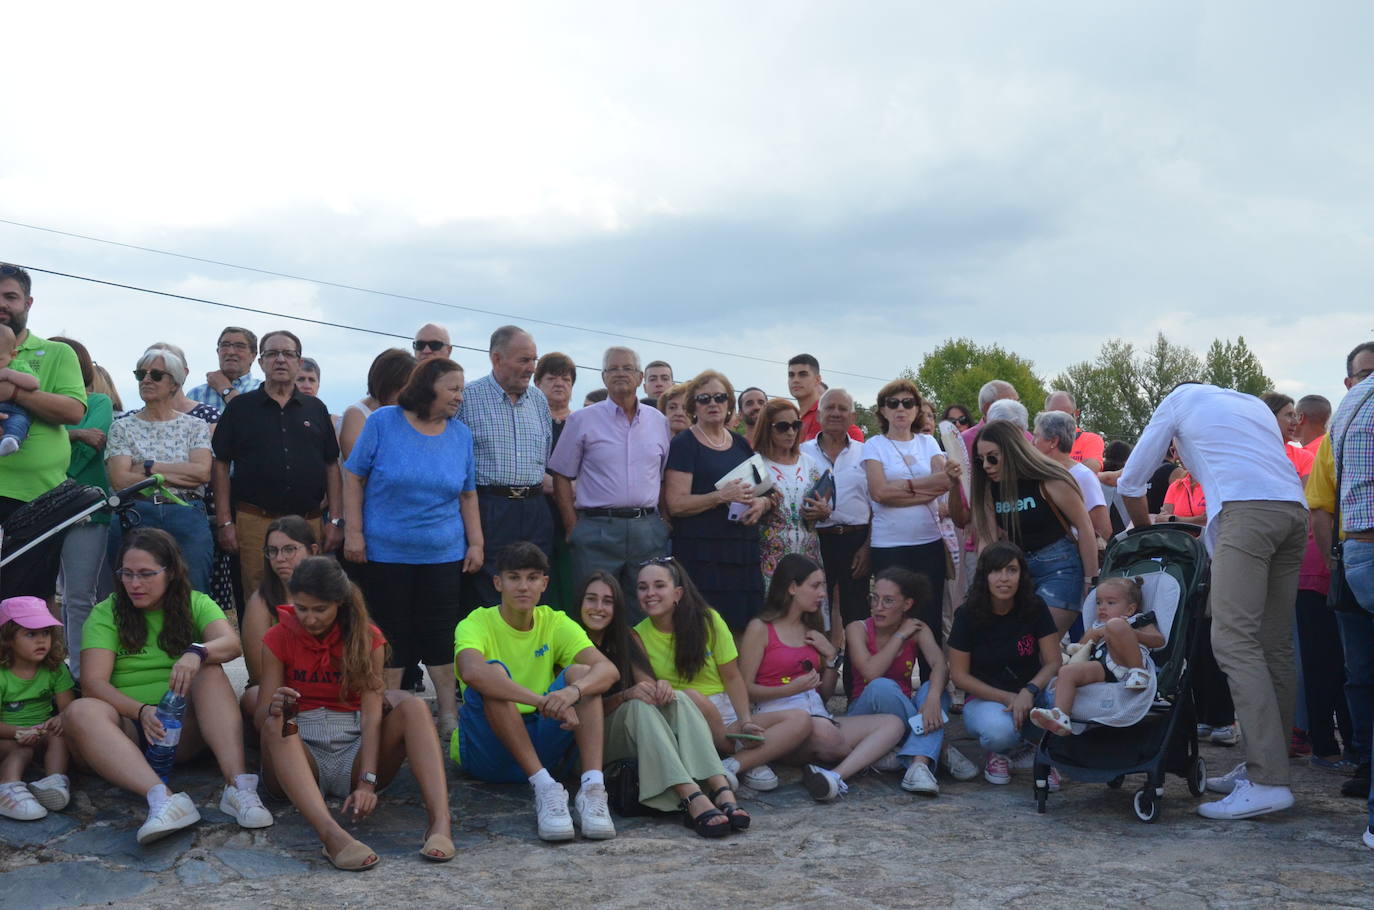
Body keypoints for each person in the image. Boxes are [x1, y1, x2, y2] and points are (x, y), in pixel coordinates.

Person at [1119, 382, 1308, 820]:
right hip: (1291, 511)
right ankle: (1270, 767)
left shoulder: (1177, 402)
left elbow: (1131, 481)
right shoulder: (1250, 405)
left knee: (1232, 640)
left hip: (1247, 513)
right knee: (1274, 645)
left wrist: (1146, 532)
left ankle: (1267, 780)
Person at [63, 528, 271, 844]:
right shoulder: (106, 612)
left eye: (146, 574)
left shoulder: (196, 602)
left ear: (170, 572)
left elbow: (231, 644)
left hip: (182, 728)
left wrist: (197, 651)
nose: (134, 584)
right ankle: (164, 800)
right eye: (127, 574)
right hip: (128, 731)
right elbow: (93, 683)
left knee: (209, 671)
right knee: (80, 710)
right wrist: (141, 711)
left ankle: (238, 787)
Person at [256, 557, 453, 870]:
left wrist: (367, 782)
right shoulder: (277, 637)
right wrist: (276, 705)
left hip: (353, 745)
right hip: (300, 749)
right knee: (276, 722)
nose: (309, 618)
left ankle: (440, 823)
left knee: (414, 707)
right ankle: (332, 836)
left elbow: (372, 712)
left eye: (320, 609)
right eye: (301, 608)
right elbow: (261, 718)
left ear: (340, 604)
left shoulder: (367, 637)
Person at [343, 358, 483, 742]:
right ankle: (388, 708)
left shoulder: (461, 435)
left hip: (443, 552)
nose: (460, 396)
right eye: (453, 388)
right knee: (391, 633)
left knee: (440, 632)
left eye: (462, 388)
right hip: (386, 552)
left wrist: (476, 543)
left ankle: (449, 716)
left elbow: (468, 494)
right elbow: (353, 476)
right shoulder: (383, 422)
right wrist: (353, 531)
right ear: (429, 387)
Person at [451, 542, 619, 842]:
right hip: (487, 749)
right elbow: (472, 672)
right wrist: (542, 701)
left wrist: (572, 693)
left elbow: (608, 670)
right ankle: (545, 789)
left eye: (532, 577)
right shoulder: (476, 621)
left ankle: (592, 789)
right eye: (514, 577)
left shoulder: (555, 621)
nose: (523, 586)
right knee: (493, 674)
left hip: (541, 741)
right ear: (498, 582)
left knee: (583, 673)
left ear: (544, 583)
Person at [574, 572, 746, 835]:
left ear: (617, 608)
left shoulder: (626, 639)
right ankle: (691, 796)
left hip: (630, 734)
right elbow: (583, 710)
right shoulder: (568, 638)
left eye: (607, 601)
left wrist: (661, 687)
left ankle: (721, 788)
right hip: (586, 746)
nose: (599, 608)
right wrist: (625, 695)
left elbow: (646, 686)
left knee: (679, 699)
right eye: (591, 599)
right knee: (636, 706)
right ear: (579, 603)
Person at [632, 557, 812, 793]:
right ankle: (747, 756)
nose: (650, 593)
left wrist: (746, 721)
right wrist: (662, 688)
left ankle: (734, 763)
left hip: (725, 714)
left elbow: (732, 677)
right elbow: (647, 690)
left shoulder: (708, 621)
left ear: (677, 593)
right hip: (681, 713)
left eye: (659, 586)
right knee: (691, 696)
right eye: (642, 587)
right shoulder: (636, 635)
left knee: (801, 719)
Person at [738, 555, 905, 801]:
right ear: (792, 587)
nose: (822, 594)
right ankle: (870, 756)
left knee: (893, 724)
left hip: (820, 720)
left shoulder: (812, 629)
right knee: (826, 733)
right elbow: (744, 689)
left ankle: (834, 775)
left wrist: (831, 657)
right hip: (781, 724)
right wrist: (788, 690)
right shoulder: (760, 628)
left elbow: (823, 694)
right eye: (815, 586)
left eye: (822, 586)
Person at [212, 330, 343, 597]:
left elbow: (332, 465)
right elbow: (221, 464)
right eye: (272, 354)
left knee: (309, 596)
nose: (280, 360)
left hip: (309, 523)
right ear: (261, 362)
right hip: (253, 522)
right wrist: (225, 522)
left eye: (288, 354)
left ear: (298, 360)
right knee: (257, 597)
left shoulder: (316, 409)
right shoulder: (240, 408)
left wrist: (336, 520)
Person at [948, 420, 1098, 635]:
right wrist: (984, 580)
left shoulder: (1049, 479)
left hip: (1060, 567)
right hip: (1016, 570)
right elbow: (988, 539)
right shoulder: (991, 488)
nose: (986, 466)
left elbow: (1084, 528)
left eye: (993, 457)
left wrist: (1089, 581)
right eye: (980, 460)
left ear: (1012, 451)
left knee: (1039, 641)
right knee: (1019, 645)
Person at [550, 347, 671, 612]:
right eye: (613, 369)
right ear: (603, 378)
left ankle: (636, 655)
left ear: (640, 377)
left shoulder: (659, 422)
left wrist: (664, 522)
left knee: (644, 609)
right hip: (596, 529)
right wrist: (572, 527)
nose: (620, 374)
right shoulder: (581, 420)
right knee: (594, 608)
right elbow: (560, 474)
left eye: (627, 368)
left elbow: (662, 477)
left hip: (647, 530)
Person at [1309, 342, 1374, 821]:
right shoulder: (1338, 432)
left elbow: (1322, 507)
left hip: (1355, 555)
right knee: (1359, 675)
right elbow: (1320, 507)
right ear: (1348, 382)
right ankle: (1365, 763)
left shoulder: (1342, 424)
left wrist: (1338, 561)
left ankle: (1365, 765)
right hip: (1354, 556)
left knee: (1361, 674)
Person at [844, 567, 977, 793]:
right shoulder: (857, 628)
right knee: (881, 686)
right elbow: (870, 672)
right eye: (874, 598)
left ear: (907, 604)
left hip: (902, 711)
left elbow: (939, 666)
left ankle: (918, 766)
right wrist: (900, 636)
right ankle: (940, 749)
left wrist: (933, 698)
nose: (878, 607)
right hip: (864, 713)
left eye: (888, 601)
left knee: (932, 690)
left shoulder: (917, 627)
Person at [0, 264, 88, 602]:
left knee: (28, 600)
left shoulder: (56, 353)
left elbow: (73, 411)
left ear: (28, 303)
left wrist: (16, 394)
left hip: (37, 499)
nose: (4, 304)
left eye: (11, 297)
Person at [947, 542, 1063, 788]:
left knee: (1064, 695)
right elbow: (958, 676)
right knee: (1000, 732)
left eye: (1012, 570)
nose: (1004, 578)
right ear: (984, 576)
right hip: (985, 698)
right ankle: (1001, 752)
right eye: (996, 571)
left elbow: (1053, 661)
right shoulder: (967, 614)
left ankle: (1041, 754)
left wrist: (1029, 691)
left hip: (1032, 693)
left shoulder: (1035, 606)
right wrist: (1008, 698)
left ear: (1022, 574)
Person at [456, 325, 554, 611]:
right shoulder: (468, 398)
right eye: (524, 360)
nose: (532, 368)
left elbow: (544, 454)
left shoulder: (538, 401)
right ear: (496, 359)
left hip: (535, 508)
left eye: (534, 360)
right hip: (489, 508)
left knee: (534, 588)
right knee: (490, 588)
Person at [663, 370, 766, 632]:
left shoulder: (741, 444)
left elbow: (765, 490)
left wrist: (760, 504)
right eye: (704, 398)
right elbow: (675, 504)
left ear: (729, 403)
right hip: (702, 555)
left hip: (742, 551)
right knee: (703, 630)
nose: (713, 403)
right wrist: (720, 497)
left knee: (744, 627)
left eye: (720, 397)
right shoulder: (685, 444)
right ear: (693, 406)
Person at [106, 348, 215, 593]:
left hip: (186, 513)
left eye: (155, 375)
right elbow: (121, 480)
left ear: (174, 384)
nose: (145, 379)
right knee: (131, 594)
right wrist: (179, 473)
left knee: (193, 593)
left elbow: (202, 473)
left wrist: (149, 467)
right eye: (140, 374)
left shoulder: (196, 426)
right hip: (135, 513)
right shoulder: (121, 426)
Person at [862, 380, 950, 640]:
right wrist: (923, 492)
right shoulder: (874, 445)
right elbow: (878, 492)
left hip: (928, 542)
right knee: (890, 615)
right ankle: (891, 679)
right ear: (883, 410)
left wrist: (902, 487)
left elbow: (943, 484)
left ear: (916, 409)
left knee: (929, 615)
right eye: (893, 403)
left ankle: (929, 678)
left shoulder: (929, 443)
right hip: (889, 544)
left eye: (908, 403)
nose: (901, 408)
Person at [1030, 577, 1163, 736]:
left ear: (1130, 609)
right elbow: (1079, 648)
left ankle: (1139, 672)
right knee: (1067, 672)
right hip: (1102, 666)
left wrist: (1130, 634)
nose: (1102, 607)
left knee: (1116, 625)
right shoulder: (1096, 625)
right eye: (1099, 602)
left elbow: (1159, 641)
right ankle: (1061, 716)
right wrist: (1095, 634)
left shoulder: (1138, 620)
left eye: (1110, 603)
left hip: (1127, 662)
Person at [53, 337, 114, 677]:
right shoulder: (36, 407)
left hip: (86, 513)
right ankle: (45, 671)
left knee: (78, 598)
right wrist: (75, 435)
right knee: (40, 597)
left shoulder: (99, 401)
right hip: (39, 512)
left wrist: (56, 441)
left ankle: (82, 674)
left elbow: (83, 458)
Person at [800, 388, 871, 631]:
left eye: (843, 409)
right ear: (819, 415)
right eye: (830, 408)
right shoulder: (801, 453)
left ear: (853, 418)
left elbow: (877, 506)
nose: (836, 413)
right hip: (816, 540)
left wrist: (867, 546)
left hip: (857, 541)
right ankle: (818, 669)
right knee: (814, 612)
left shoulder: (866, 453)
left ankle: (856, 670)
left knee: (857, 615)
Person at [0, 597, 75, 820]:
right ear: (7, 639)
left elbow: (67, 709)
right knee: (21, 749)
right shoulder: (2, 675)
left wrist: (59, 720)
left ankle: (53, 782)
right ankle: (8, 786)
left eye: (46, 633)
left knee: (59, 736)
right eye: (31, 634)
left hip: (39, 731)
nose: (41, 641)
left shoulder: (54, 668)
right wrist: (17, 732)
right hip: (7, 736)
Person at [238, 516, 321, 719]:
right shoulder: (261, 601)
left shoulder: (334, 594)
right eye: (272, 551)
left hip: (329, 686)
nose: (280, 558)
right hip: (279, 691)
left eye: (289, 549)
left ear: (314, 551)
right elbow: (260, 674)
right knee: (253, 696)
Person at [751, 398, 828, 590]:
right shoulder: (756, 464)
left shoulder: (809, 463)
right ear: (767, 428)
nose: (791, 432)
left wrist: (823, 511)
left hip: (809, 555)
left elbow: (824, 506)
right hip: (772, 559)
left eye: (795, 425)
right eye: (782, 427)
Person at [536, 351, 577, 612]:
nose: (560, 383)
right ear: (537, 383)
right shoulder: (531, 420)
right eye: (552, 377)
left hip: (577, 513)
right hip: (538, 512)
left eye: (566, 378)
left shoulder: (582, 422)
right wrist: (562, 487)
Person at [1033, 410, 1112, 543]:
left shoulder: (1082, 476)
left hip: (1074, 557)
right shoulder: (1038, 473)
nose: (1032, 442)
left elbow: (1103, 529)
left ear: (1053, 441)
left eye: (1036, 436)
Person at [338, 348, 417, 461]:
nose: (405, 393)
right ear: (385, 382)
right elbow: (358, 464)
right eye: (400, 386)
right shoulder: (356, 415)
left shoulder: (406, 414)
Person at [789, 354, 862, 442]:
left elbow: (855, 438)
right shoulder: (794, 418)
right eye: (791, 375)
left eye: (803, 375)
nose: (795, 380)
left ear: (817, 380)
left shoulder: (828, 413)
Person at [186, 326, 261, 410]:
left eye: (240, 346)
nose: (230, 352)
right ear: (218, 352)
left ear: (253, 355)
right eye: (225, 345)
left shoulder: (265, 390)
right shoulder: (195, 394)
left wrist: (224, 388)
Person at [0, 323, 37, 457]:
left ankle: (10, 441)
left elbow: (33, 384)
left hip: (14, 411)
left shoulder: (18, 366)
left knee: (18, 422)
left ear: (13, 355)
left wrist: (8, 374)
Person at [1044, 390, 1105, 472]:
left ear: (1076, 414)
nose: (1059, 421)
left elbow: (1089, 470)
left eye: (1065, 416)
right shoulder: (1038, 440)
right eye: (1053, 416)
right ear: (1043, 415)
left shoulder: (1090, 439)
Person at [1261, 392, 1315, 481]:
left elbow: (1306, 494)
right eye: (1289, 415)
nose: (1296, 422)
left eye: (1295, 416)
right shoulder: (1247, 452)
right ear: (1270, 417)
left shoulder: (1304, 458)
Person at [959, 379, 1019, 456]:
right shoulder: (964, 441)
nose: (1017, 408)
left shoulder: (1026, 437)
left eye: (1017, 402)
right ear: (988, 408)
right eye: (1009, 403)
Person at [295, 357, 341, 434]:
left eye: (311, 380)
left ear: (318, 385)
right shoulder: (281, 419)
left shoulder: (334, 423)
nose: (307, 386)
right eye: (301, 379)